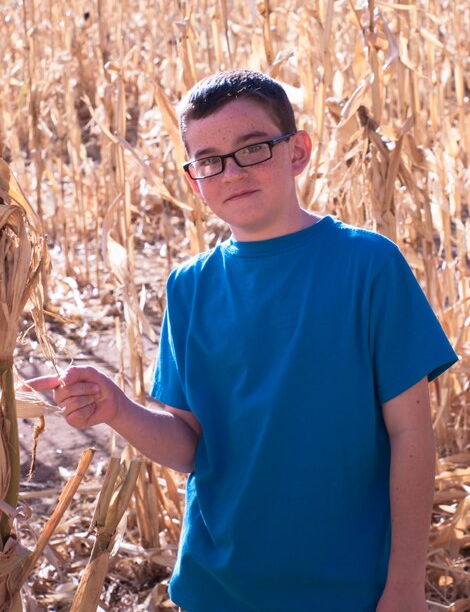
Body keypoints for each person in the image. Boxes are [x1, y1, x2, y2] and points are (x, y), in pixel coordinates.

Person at [26, 69, 458, 612]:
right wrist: (118, 408)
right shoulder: (190, 287)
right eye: (209, 159)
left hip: (350, 588)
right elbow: (192, 447)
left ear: (297, 150)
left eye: (253, 148)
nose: (231, 172)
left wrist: (405, 587)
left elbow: (411, 435)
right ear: (193, 179)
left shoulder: (368, 266)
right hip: (219, 586)